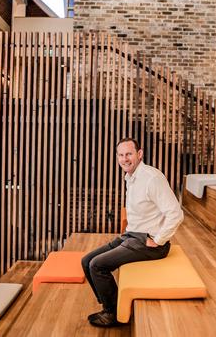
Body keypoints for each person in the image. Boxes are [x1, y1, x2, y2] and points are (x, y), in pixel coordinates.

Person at [81, 137, 184, 327]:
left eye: (128, 154)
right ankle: (112, 304)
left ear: (139, 154)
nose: (124, 159)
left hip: (148, 243)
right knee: (86, 261)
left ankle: (113, 314)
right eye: (120, 155)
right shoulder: (131, 177)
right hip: (131, 236)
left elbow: (176, 213)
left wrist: (159, 240)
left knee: (97, 266)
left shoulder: (152, 178)